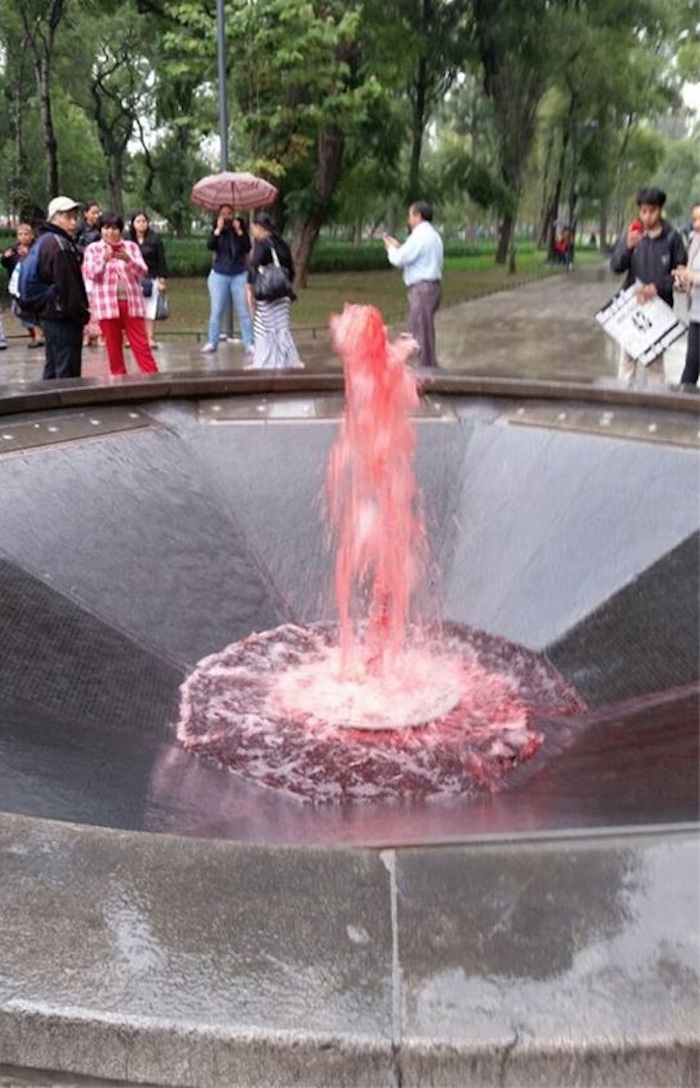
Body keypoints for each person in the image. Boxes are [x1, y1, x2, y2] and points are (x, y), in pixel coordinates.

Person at [610, 186, 687, 385]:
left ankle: (655, 402)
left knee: (654, 363)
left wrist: (657, 287)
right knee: (627, 360)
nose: (647, 216)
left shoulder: (672, 238)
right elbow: (616, 267)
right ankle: (623, 400)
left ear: (660, 210)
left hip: (658, 309)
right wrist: (627, 247)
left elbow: (680, 275)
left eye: (652, 211)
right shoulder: (632, 235)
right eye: (643, 211)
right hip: (632, 306)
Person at [81, 210, 158, 376]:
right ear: (101, 230)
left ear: (121, 230)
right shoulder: (93, 249)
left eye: (115, 228)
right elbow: (90, 273)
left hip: (132, 303)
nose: (111, 232)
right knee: (113, 347)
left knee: (140, 344)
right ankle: (118, 379)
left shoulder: (131, 247)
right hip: (107, 305)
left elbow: (143, 271)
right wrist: (104, 259)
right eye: (106, 228)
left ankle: (153, 377)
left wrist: (128, 260)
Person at [383, 200, 444, 369]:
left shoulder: (419, 236)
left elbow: (399, 259)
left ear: (418, 216)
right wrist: (399, 247)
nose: (408, 219)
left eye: (410, 215)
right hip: (432, 288)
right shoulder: (433, 236)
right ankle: (430, 366)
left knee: (420, 334)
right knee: (424, 330)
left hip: (422, 289)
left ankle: (425, 372)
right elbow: (412, 255)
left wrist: (390, 249)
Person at [35, 196, 90, 379]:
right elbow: (68, 287)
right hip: (63, 317)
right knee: (67, 372)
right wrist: (81, 314)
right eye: (68, 217)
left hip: (49, 314)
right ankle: (66, 407)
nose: (73, 223)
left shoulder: (44, 240)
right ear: (54, 218)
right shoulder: (59, 245)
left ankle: (45, 404)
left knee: (52, 366)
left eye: (75, 217)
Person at [245, 212, 302, 370]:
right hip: (282, 292)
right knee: (281, 327)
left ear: (259, 227)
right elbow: (291, 269)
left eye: (253, 227)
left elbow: (253, 268)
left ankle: (264, 362)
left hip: (267, 294)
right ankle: (288, 360)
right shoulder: (282, 243)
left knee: (263, 329)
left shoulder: (262, 244)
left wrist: (250, 291)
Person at [200, 206, 254, 358]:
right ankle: (212, 341)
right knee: (216, 310)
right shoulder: (217, 230)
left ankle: (250, 343)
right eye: (223, 214)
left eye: (229, 214)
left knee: (243, 310)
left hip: (238, 273)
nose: (227, 217)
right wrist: (218, 229)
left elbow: (247, 247)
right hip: (219, 273)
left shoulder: (240, 228)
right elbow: (210, 245)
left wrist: (239, 231)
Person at [1, 221, 45, 348]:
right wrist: (5, 257)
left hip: (31, 286)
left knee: (28, 310)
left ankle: (38, 335)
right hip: (17, 286)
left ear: (32, 235)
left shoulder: (36, 248)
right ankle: (35, 333)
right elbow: (7, 264)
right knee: (18, 311)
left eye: (26, 234)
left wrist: (28, 256)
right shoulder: (14, 250)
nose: (23, 237)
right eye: (20, 234)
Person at [128, 211, 167, 350]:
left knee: (149, 309)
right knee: (133, 310)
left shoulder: (155, 239)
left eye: (143, 221)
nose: (141, 224)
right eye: (138, 221)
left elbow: (161, 260)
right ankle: (133, 338)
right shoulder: (128, 241)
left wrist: (162, 279)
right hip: (131, 278)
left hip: (151, 277)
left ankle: (149, 337)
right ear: (133, 224)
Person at [674, 201, 700, 387]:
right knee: (691, 364)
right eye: (694, 219)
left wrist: (692, 276)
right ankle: (682, 405)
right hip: (696, 314)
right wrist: (683, 280)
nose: (697, 224)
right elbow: (692, 271)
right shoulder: (695, 241)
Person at [76, 200, 103, 347]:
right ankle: (86, 334)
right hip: (82, 267)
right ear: (86, 214)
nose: (96, 215)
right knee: (85, 302)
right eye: (93, 212)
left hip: (98, 267)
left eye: (98, 212)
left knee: (97, 303)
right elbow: (73, 244)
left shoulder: (101, 228)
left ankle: (99, 334)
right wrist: (86, 250)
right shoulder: (79, 228)